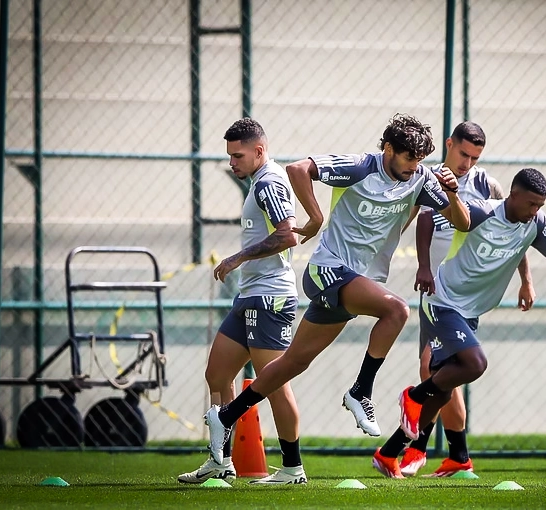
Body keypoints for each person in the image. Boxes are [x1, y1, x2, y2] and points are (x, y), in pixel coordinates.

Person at [201, 113, 470, 464]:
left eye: (419, 159)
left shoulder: (419, 177)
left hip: (354, 281)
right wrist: (314, 217)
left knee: (293, 362)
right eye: (408, 157)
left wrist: (451, 190)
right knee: (396, 310)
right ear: (388, 149)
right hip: (327, 271)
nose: (414, 166)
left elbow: (462, 222)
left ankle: (226, 416)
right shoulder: (360, 166)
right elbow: (299, 170)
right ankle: (361, 391)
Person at [371, 168, 546, 478]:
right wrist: (425, 263)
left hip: (470, 311)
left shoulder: (535, 223)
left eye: (541, 205)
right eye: (532, 204)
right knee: (475, 363)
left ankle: (388, 453)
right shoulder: (484, 211)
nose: (536, 211)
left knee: (442, 389)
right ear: (514, 195)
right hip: (442, 301)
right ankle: (412, 397)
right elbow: (446, 219)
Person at [177, 118, 306, 485]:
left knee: (275, 383)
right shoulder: (257, 182)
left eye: (238, 155)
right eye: (230, 155)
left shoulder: (268, 183)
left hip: (270, 297)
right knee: (217, 374)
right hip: (249, 295)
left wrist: (238, 258)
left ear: (259, 151)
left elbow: (287, 236)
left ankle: (293, 468)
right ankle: (222, 461)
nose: (232, 162)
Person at [399, 120, 504, 477]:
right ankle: (457, 456)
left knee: (438, 370)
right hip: (438, 291)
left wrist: (525, 279)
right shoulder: (427, 179)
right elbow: (416, 220)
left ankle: (420, 449)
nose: (467, 163)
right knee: (439, 371)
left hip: (466, 292)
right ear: (449, 144)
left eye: (474, 157)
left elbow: (517, 230)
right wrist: (423, 265)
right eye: (463, 154)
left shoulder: (487, 185)